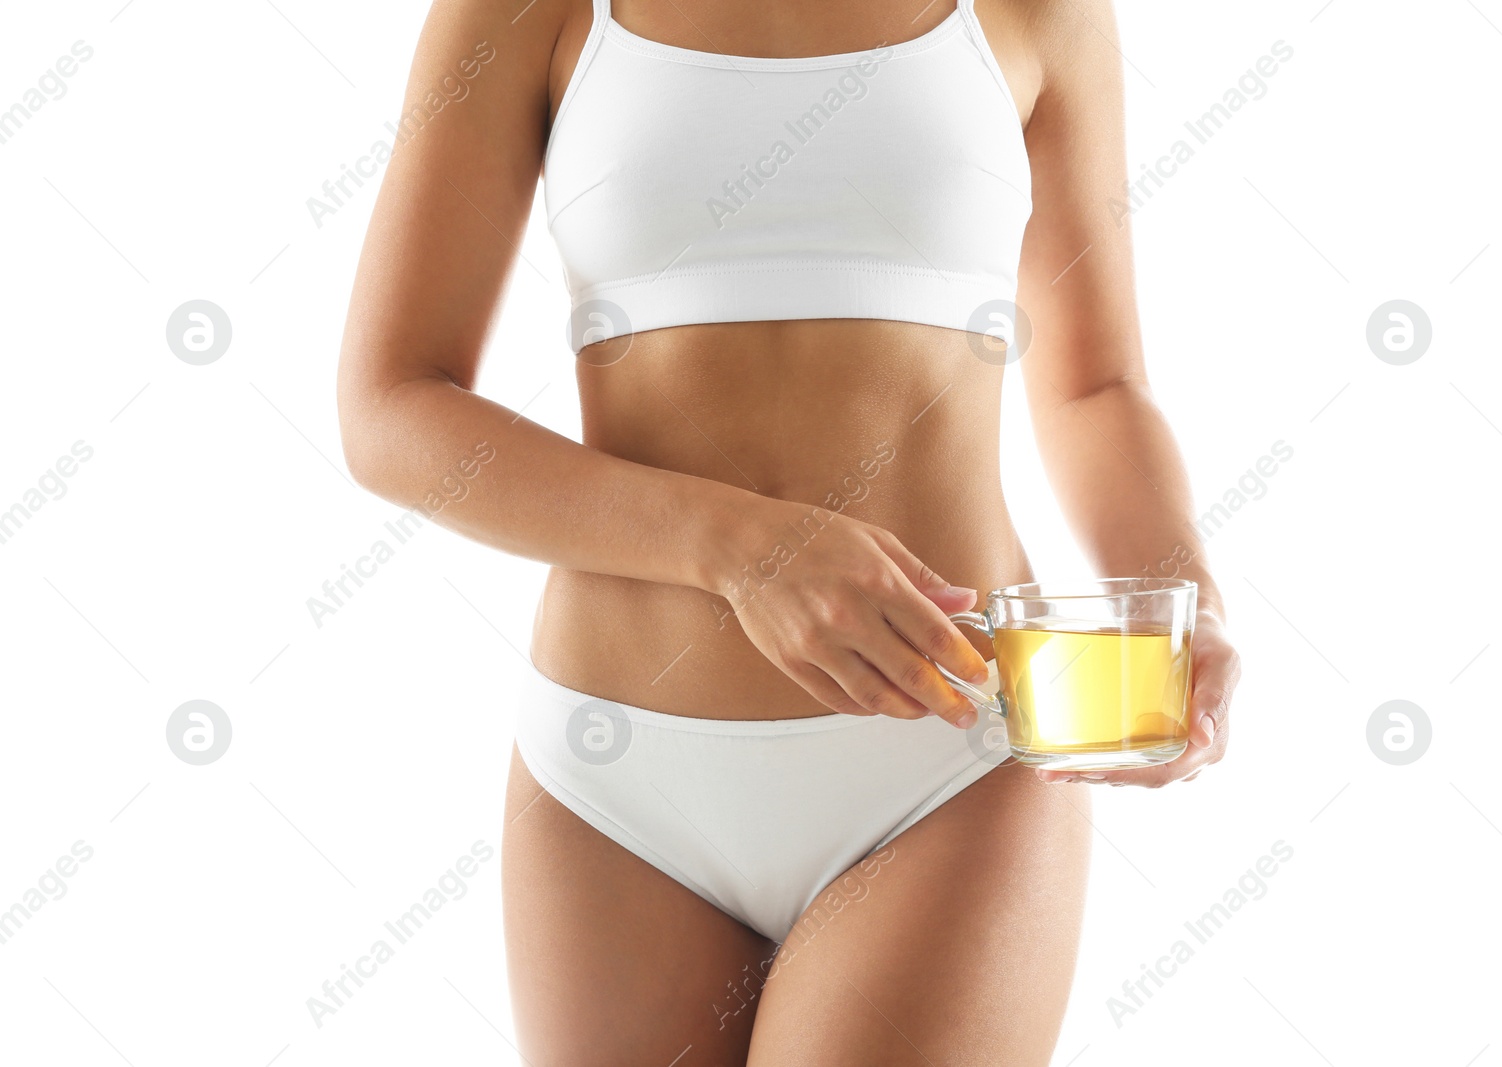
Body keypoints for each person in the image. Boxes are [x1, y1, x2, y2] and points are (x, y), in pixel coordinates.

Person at [336, 0, 1241, 1061]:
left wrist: (1195, 598)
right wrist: (738, 546)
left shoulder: (1040, 11)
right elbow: (391, 406)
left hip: (950, 758)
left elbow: (1097, 387)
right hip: (617, 775)